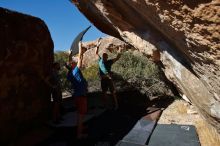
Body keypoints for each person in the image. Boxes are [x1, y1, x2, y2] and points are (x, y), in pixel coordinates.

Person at [66, 41, 88, 139]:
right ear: (73, 65)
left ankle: (81, 127)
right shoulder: (75, 70)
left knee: (80, 113)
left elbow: (70, 63)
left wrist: (70, 54)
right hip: (81, 96)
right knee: (81, 115)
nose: (74, 62)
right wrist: (80, 47)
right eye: (73, 62)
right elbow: (80, 58)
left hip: (76, 96)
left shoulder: (70, 74)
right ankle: (79, 134)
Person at [95, 38, 122, 110]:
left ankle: (116, 105)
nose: (104, 57)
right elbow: (96, 53)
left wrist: (120, 50)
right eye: (103, 56)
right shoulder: (100, 60)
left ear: (107, 57)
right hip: (103, 79)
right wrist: (97, 45)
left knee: (113, 92)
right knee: (104, 93)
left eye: (105, 56)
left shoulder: (109, 62)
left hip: (108, 79)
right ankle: (106, 105)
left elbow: (117, 58)